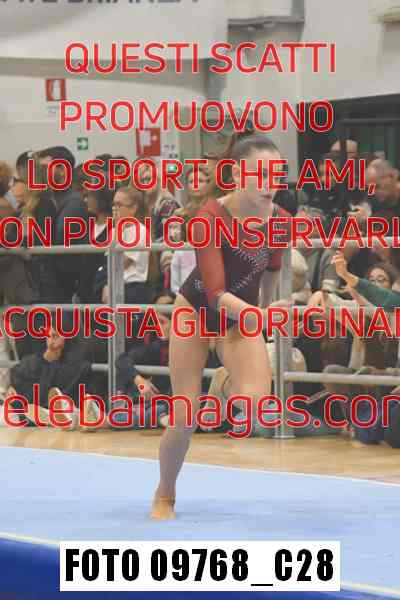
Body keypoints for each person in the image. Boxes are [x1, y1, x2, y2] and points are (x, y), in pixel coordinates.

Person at [150, 134, 291, 520]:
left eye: (276, 175)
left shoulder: (280, 221)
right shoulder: (210, 217)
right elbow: (215, 294)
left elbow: (270, 272)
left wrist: (264, 314)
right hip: (195, 314)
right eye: (260, 174)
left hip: (239, 319)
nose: (270, 184)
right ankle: (165, 493)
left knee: (257, 404)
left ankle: (225, 382)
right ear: (237, 175)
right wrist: (258, 317)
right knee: (185, 415)